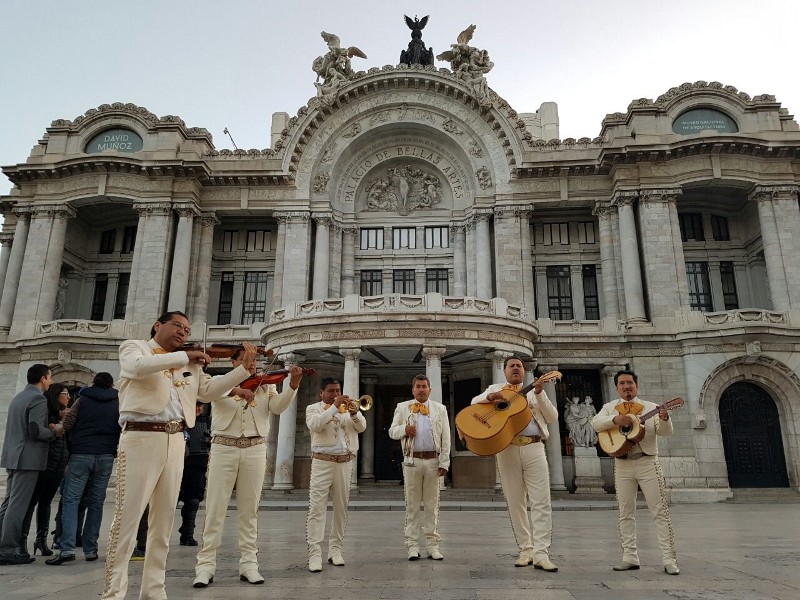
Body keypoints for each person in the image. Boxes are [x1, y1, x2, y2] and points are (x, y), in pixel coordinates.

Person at [101, 311, 257, 600]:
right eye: (178, 326)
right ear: (158, 324)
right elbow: (136, 368)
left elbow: (209, 393)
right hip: (140, 436)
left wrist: (243, 370)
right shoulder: (136, 347)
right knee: (127, 519)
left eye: (187, 329)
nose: (183, 333)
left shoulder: (190, 364)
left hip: (175, 440)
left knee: (163, 523)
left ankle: (154, 589)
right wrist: (186, 357)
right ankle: (113, 592)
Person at [193, 351, 302, 588]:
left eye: (253, 362)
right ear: (234, 363)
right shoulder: (220, 380)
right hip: (224, 446)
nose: (251, 365)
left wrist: (292, 386)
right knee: (215, 508)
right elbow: (210, 393)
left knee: (249, 510)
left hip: (254, 447)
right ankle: (205, 565)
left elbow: (278, 408)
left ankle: (249, 563)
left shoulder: (265, 385)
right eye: (246, 361)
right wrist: (237, 388)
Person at [471, 356, 559, 572]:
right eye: (512, 366)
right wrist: (491, 396)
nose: (516, 369)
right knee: (515, 501)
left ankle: (541, 553)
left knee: (541, 500)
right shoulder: (496, 387)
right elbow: (474, 403)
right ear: (504, 370)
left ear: (524, 370)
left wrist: (539, 394)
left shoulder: (535, 389)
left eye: (519, 366)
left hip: (534, 447)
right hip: (507, 448)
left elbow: (552, 417)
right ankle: (525, 549)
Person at [591, 370, 680, 576]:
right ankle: (630, 557)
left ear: (636, 386)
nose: (626, 386)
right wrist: (616, 420)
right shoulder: (610, 407)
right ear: (617, 387)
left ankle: (669, 559)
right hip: (622, 463)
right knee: (625, 512)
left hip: (647, 461)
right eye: (622, 383)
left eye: (630, 382)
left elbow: (665, 433)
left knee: (659, 511)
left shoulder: (652, 408)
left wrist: (665, 418)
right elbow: (596, 423)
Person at [47, 372, 120, 565]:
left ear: (94, 382)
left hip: (81, 454)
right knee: (96, 503)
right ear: (111, 384)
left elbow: (68, 424)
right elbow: (122, 426)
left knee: (71, 501)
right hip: (105, 456)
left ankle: (67, 548)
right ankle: (90, 549)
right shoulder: (118, 401)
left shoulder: (83, 399)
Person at [0, 363, 63, 565]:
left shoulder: (19, 397)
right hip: (28, 458)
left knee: (9, 503)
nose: (51, 381)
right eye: (50, 377)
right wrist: (56, 430)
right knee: (18, 506)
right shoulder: (37, 398)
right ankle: (7, 550)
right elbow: (36, 431)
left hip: (14, 455)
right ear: (43, 378)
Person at [305, 377, 366, 573]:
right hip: (322, 461)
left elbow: (361, 427)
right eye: (331, 391)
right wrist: (333, 408)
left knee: (341, 508)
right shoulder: (313, 408)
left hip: (345, 462)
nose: (335, 394)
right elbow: (315, 425)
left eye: (337, 390)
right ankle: (314, 553)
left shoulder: (348, 410)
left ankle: (335, 550)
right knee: (317, 508)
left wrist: (355, 414)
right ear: (321, 393)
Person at [388, 374, 450, 561]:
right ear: (413, 390)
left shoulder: (440, 409)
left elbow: (446, 437)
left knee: (432, 505)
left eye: (424, 386)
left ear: (429, 389)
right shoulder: (402, 407)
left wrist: (444, 462)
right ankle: (412, 545)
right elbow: (392, 431)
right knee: (412, 505)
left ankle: (432, 545)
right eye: (418, 386)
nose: (421, 389)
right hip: (412, 461)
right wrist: (404, 430)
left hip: (433, 461)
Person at [18, 383, 70, 558]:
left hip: (57, 464)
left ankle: (41, 540)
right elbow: (44, 433)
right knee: (32, 502)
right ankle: (21, 541)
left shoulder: (64, 414)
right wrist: (60, 423)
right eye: (65, 394)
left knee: (46, 502)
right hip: (43, 463)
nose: (69, 397)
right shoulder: (46, 413)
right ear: (56, 395)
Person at [178, 403, 211, 548]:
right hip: (178, 464)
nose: (198, 408)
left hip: (198, 465)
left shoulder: (207, 422)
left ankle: (187, 534)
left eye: (200, 405)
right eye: (195, 405)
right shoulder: (178, 421)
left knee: (193, 501)